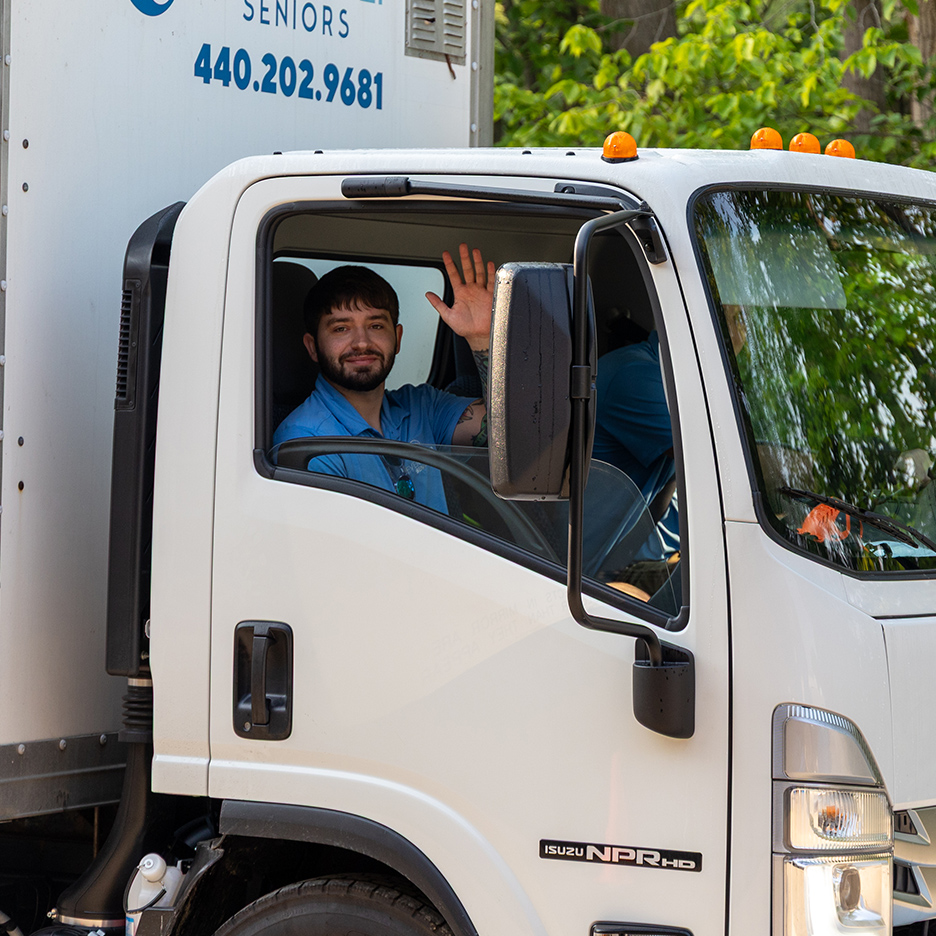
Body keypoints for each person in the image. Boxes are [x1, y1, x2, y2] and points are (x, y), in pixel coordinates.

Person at [273, 244, 494, 512]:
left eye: (376, 325)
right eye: (341, 328)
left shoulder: (422, 406)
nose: (362, 343)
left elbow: (504, 433)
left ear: (397, 338)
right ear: (312, 347)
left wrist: (482, 339)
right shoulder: (306, 442)